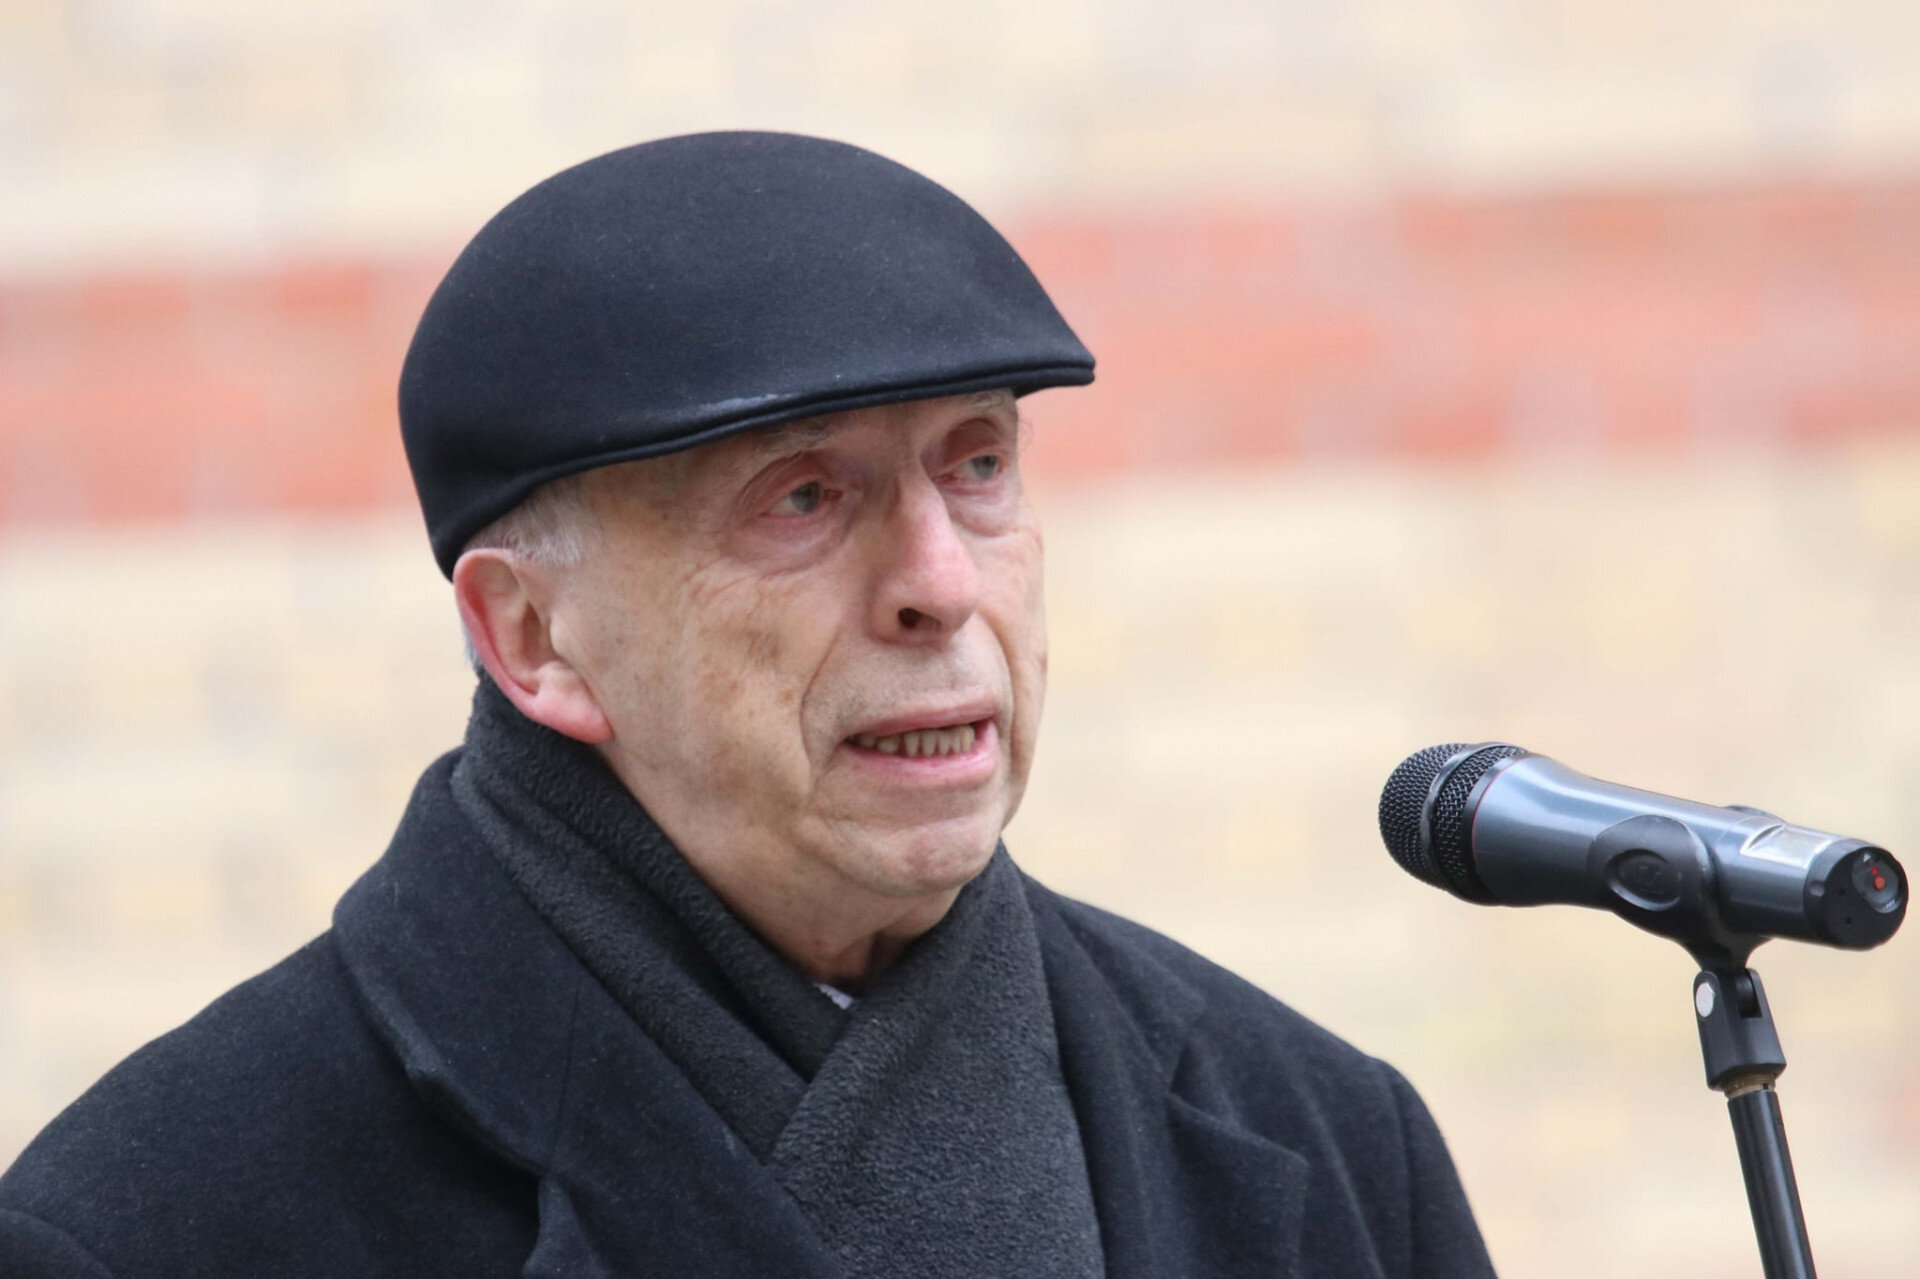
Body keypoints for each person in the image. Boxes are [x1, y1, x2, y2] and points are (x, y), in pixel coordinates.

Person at [0, 131, 1496, 1278]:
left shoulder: (1325, 1142)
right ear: (532, 637)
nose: (940, 585)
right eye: (802, 497)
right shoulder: (151, 1227)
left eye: (978, 465)